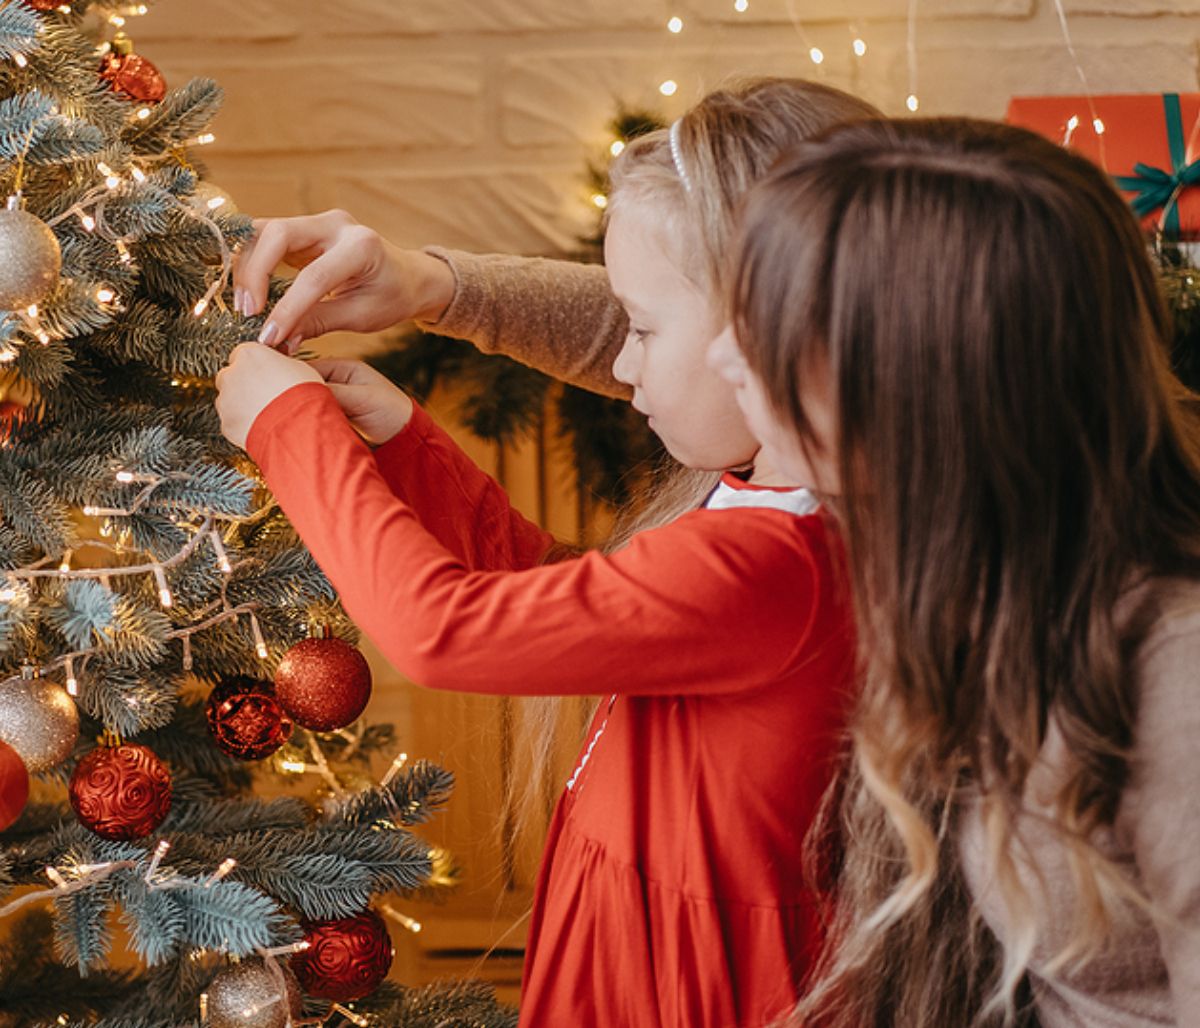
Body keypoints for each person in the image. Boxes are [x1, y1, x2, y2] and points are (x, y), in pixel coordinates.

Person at [215, 80, 879, 1026]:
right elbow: (556, 596)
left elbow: (444, 631)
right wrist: (404, 448)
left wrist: (289, 431)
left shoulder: (783, 560)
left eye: (642, 328)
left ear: (771, 334)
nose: (618, 363)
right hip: (626, 956)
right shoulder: (762, 499)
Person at [708, 116, 1200, 1026]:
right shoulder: (975, 556)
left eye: (765, 327)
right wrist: (441, 289)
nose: (721, 354)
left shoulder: (1178, 673)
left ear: (908, 378)